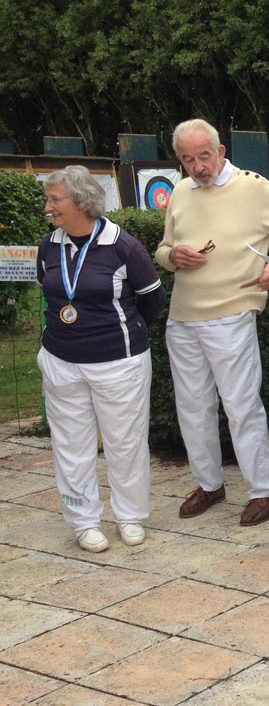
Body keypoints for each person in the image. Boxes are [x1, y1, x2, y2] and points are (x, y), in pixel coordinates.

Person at [155, 118, 269, 526]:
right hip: (182, 316)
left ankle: (265, 490)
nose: (197, 167)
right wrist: (172, 257)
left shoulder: (253, 188)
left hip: (233, 312)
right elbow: (163, 248)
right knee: (192, 407)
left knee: (241, 406)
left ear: (221, 151)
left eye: (204, 156)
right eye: (188, 160)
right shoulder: (180, 191)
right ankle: (209, 484)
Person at [37, 166, 165, 552]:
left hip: (118, 362)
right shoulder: (48, 246)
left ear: (80, 200)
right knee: (70, 445)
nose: (48, 207)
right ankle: (83, 521)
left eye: (55, 199)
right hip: (61, 360)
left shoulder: (124, 246)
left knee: (125, 443)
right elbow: (49, 289)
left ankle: (130, 516)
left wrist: (114, 334)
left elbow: (152, 301)